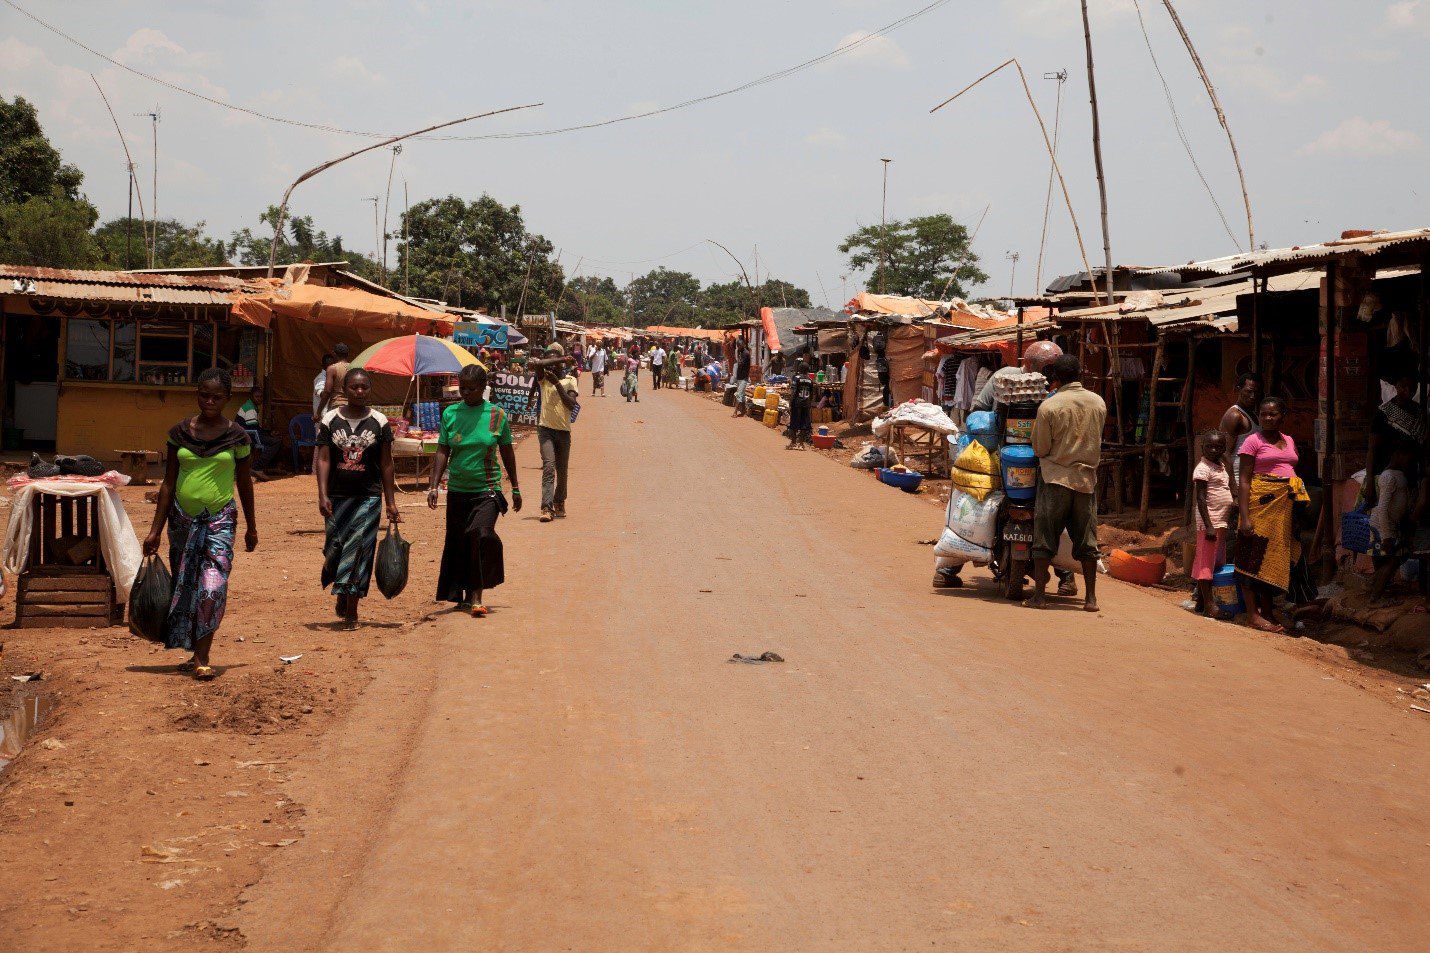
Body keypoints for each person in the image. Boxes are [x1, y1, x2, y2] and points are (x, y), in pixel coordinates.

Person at [142, 369, 257, 681]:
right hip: (181, 521)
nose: (209, 401)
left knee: (212, 585)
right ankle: (194, 651)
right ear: (197, 394)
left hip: (220, 520)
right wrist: (154, 530)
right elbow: (167, 484)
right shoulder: (178, 433)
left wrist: (252, 526)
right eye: (204, 395)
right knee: (187, 583)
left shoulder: (238, 437)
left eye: (217, 397)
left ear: (227, 399)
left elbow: (245, 484)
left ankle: (203, 656)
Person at [428, 364, 521, 617]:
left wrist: (515, 487)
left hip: (487, 489)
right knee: (459, 541)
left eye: (471, 388)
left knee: (480, 534)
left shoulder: (496, 415)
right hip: (458, 488)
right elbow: (442, 450)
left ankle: (477, 596)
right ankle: (463, 595)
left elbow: (507, 451)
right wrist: (434, 485)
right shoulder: (450, 414)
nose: (465, 392)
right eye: (462, 387)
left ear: (483, 388)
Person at [315, 368, 401, 629]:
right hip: (337, 497)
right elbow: (324, 458)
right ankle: (342, 591)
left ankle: (352, 605)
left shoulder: (379, 421)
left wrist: (391, 502)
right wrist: (322, 494)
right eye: (354, 387)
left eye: (364, 387)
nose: (360, 392)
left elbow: (386, 463)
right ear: (345, 390)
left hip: (368, 498)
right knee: (335, 549)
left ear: (370, 389)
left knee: (360, 550)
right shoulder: (331, 420)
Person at [1026, 354, 1106, 612]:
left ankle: (1039, 596)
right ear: (1080, 374)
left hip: (1055, 480)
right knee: (1087, 541)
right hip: (1086, 482)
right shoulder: (1098, 402)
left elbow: (1040, 448)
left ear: (1055, 378)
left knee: (1045, 538)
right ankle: (1090, 599)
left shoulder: (1049, 407)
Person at [1236, 396, 1310, 633]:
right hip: (1260, 504)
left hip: (1283, 508)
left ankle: (1268, 611)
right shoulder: (1251, 442)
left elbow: (1291, 469)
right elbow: (1245, 480)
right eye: (1264, 414)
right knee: (1253, 556)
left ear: (1282, 416)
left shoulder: (1288, 440)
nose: (1268, 418)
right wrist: (1245, 516)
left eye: (1273, 414)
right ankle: (1252, 614)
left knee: (1273, 557)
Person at [529, 344, 578, 522]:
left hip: (563, 432)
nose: (550, 366)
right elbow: (538, 364)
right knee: (549, 467)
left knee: (562, 471)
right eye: (549, 361)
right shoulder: (542, 379)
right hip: (545, 430)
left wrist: (557, 383)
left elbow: (571, 404)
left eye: (554, 362)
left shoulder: (570, 380)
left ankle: (559, 501)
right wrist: (560, 359)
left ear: (561, 365)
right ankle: (546, 507)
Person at [1190, 431, 1237, 619]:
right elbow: (1201, 499)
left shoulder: (1221, 465)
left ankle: (1201, 603)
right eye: (1209, 446)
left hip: (1221, 521)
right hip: (1210, 522)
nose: (1214, 450)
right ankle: (1210, 606)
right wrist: (1208, 525)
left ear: (1224, 449)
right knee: (1206, 564)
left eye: (1218, 446)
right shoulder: (1202, 468)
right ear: (1202, 448)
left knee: (1215, 562)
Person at [1363, 371, 1425, 507]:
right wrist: (1370, 484)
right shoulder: (1383, 413)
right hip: (1385, 470)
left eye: (1412, 387)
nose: (1408, 391)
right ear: (1396, 386)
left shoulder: (1420, 413)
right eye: (1403, 386)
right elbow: (1372, 450)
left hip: (1410, 475)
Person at [1367, 442, 1416, 603]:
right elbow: (1382, 508)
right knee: (1393, 559)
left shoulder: (1398, 474)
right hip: (1383, 526)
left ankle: (1373, 585)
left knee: (1397, 557)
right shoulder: (1388, 477)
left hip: (1391, 525)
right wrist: (1386, 535)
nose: (1410, 460)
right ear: (1397, 454)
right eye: (1408, 456)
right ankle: (1374, 596)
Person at [970, 340, 1063, 413]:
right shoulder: (1005, 375)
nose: (1052, 373)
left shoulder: (1057, 384)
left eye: (1055, 367)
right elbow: (979, 408)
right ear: (1029, 363)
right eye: (1048, 367)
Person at [1219, 372, 1261, 486]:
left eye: (1256, 392)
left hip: (1250, 479)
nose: (1253, 396)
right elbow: (1224, 454)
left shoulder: (1253, 415)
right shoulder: (1235, 416)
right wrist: (1233, 489)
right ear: (1239, 389)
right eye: (1249, 391)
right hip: (1237, 479)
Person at [236, 383, 282, 473]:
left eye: (261, 397)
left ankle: (271, 467)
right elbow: (253, 428)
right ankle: (256, 467)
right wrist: (269, 433)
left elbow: (255, 426)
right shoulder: (250, 408)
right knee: (276, 442)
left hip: (250, 433)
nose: (259, 399)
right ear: (251, 397)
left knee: (277, 439)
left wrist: (269, 433)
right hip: (247, 435)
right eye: (257, 397)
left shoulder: (252, 406)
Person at [317, 342, 352, 418]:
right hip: (351, 406)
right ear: (348, 354)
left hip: (337, 406)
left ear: (334, 354)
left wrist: (318, 412)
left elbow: (327, 391)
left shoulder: (332, 369)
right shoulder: (354, 368)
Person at [786, 361, 815, 449]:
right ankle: (801, 444)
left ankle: (793, 442)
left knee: (794, 423)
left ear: (800, 369)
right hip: (806, 405)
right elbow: (812, 394)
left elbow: (794, 392)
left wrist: (790, 403)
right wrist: (809, 404)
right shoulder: (810, 380)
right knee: (804, 424)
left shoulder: (796, 378)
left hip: (797, 404)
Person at [732, 344, 752, 418]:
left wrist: (737, 355)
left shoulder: (745, 353)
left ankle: (735, 411)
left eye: (739, 346)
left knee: (739, 394)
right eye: (737, 346)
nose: (738, 348)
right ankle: (743, 411)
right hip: (740, 377)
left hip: (744, 378)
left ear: (742, 346)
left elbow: (740, 364)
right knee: (742, 395)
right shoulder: (741, 353)